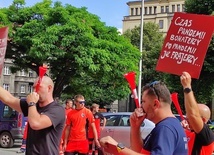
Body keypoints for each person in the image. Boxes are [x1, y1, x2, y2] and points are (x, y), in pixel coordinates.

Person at [100, 81, 188, 155]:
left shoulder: (166, 128)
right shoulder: (170, 125)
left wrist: (118, 147)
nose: (141, 106)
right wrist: (135, 127)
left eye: (143, 102)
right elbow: (139, 151)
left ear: (155, 104)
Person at [0, 76, 65, 155]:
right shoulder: (33, 105)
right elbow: (9, 99)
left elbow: (36, 123)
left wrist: (31, 103)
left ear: (49, 88)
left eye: (38, 87)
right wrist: (32, 104)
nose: (34, 91)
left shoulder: (57, 109)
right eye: (33, 88)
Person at [180, 71, 214, 155]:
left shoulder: (207, 136)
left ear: (203, 120)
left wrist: (187, 87)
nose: (186, 121)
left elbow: (193, 115)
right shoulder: (188, 132)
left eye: (188, 119)